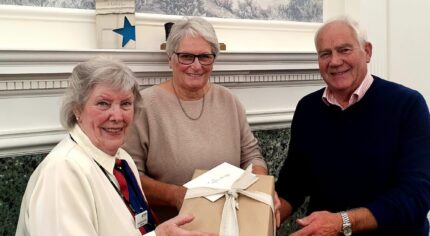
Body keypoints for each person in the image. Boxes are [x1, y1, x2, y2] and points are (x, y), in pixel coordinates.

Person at [15, 57, 216, 236]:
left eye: (126, 104)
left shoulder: (121, 159)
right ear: (77, 109)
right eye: (103, 103)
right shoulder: (63, 171)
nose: (117, 116)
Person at [275, 16, 430, 236]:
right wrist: (261, 217)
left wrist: (343, 222)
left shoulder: (408, 105)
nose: (335, 61)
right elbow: (293, 184)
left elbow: (416, 196)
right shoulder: (308, 108)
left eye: (344, 50)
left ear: (367, 52)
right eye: (325, 54)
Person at [123, 16, 275, 223]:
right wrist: (175, 195)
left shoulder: (228, 100)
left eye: (205, 57)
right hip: (173, 226)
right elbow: (130, 177)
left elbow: (252, 156)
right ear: (170, 58)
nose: (196, 65)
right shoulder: (145, 106)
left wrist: (260, 189)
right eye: (186, 56)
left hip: (230, 221)